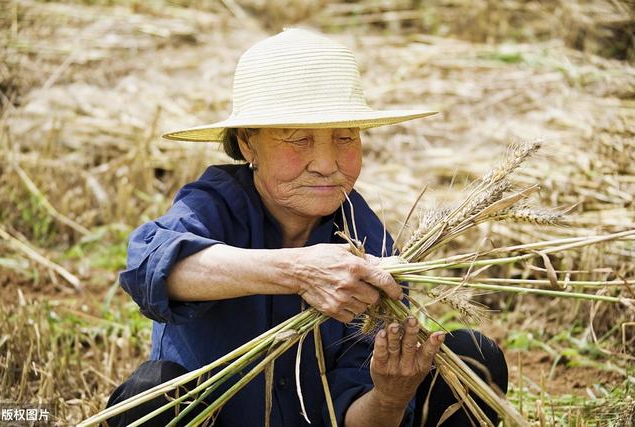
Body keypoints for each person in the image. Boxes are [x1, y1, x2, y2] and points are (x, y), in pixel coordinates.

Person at [107, 28, 508, 426]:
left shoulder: (367, 245)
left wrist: (388, 397)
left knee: (473, 359)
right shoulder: (216, 204)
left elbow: (354, 415)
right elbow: (148, 267)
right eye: (299, 139)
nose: (326, 163)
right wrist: (298, 272)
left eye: (344, 137)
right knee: (150, 394)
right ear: (248, 144)